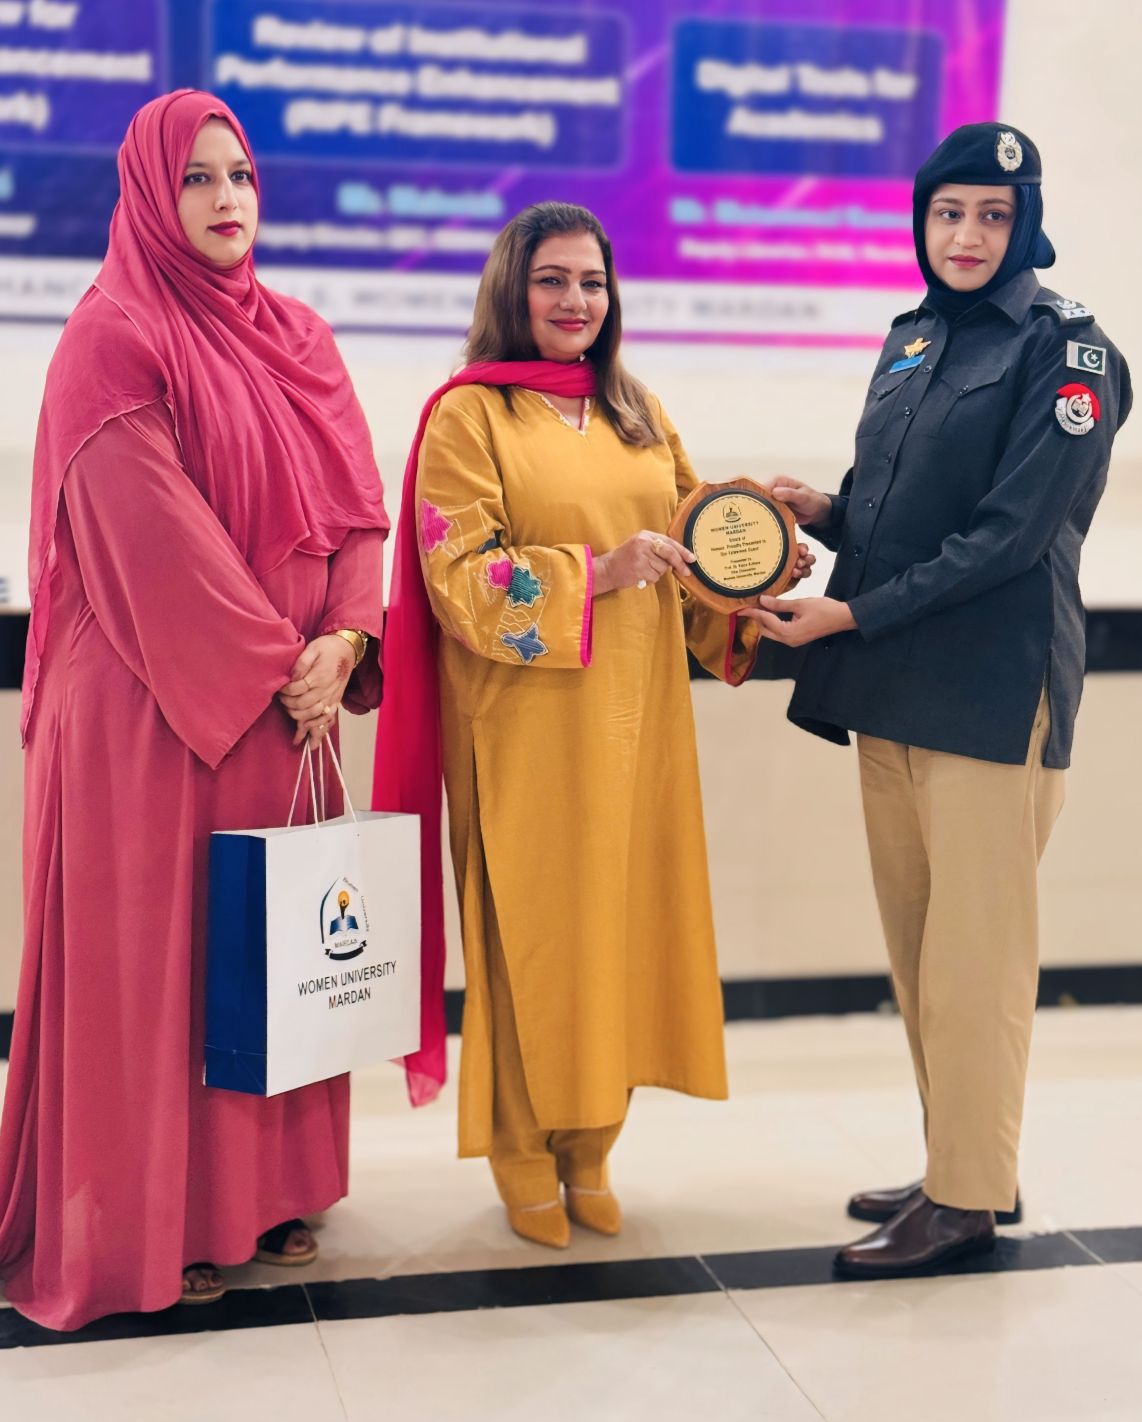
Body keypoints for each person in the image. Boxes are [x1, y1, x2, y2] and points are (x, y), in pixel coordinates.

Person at [0, 90, 396, 1329]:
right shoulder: (110, 337)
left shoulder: (302, 337)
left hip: (283, 710)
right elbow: (149, 538)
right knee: (161, 973)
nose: (228, 199)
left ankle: (267, 1196)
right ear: (147, 195)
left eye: (241, 176)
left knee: (270, 961)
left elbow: (359, 513)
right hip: (153, 713)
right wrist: (283, 665)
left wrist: (345, 638)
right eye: (197, 178)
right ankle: (152, 1220)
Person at [373, 201, 811, 1248]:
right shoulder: (469, 417)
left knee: (620, 929)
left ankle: (592, 1146)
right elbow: (456, 574)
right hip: (523, 727)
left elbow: (694, 545)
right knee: (534, 936)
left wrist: (757, 565)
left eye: (592, 282)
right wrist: (599, 572)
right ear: (511, 290)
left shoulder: (636, 411)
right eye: (553, 280)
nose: (576, 301)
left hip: (638, 724)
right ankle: (523, 1153)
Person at [742, 124, 1132, 1275]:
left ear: (1025, 225)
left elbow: (1007, 538)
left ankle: (963, 1201)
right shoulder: (913, 337)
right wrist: (818, 512)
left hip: (989, 693)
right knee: (920, 957)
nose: (965, 235)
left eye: (992, 216)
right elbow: (895, 503)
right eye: (947, 212)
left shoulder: (1069, 352)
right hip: (892, 688)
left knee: (975, 965)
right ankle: (960, 1163)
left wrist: (849, 614)